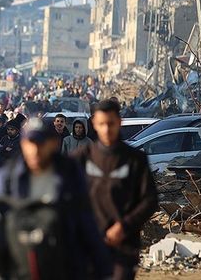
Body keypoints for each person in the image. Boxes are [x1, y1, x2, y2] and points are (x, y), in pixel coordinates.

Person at [0, 118, 112, 280]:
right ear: (23, 144)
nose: (35, 150)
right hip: (20, 262)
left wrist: (103, 266)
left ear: (53, 144)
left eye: (41, 143)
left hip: (64, 261)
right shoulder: (10, 176)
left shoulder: (70, 174)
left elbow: (87, 221)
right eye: (31, 143)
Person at [73, 100, 158, 280]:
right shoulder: (81, 158)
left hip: (124, 245)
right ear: (94, 124)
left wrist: (124, 227)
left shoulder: (135, 159)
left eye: (110, 123)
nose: (106, 129)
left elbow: (150, 200)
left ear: (119, 122)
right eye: (101, 124)